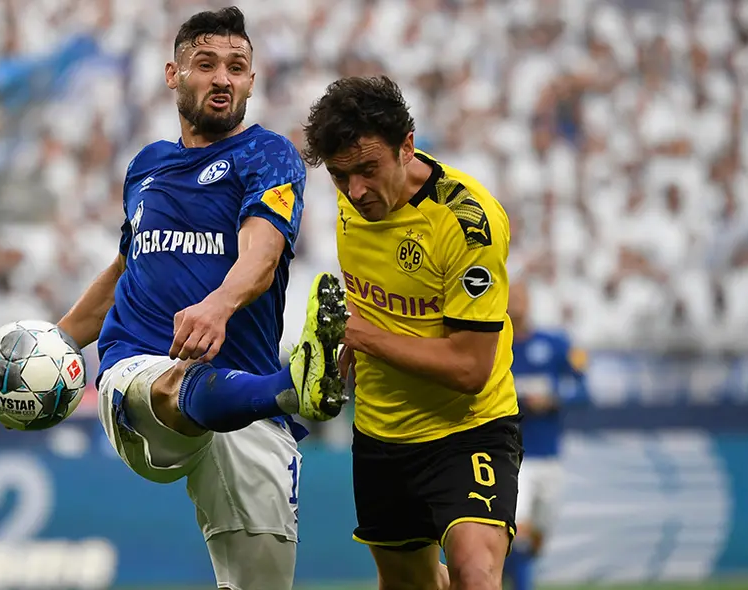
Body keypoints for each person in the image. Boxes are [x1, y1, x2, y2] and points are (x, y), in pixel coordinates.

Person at [57, 7, 348, 590]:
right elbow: (125, 268)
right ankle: (296, 386)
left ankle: (283, 389)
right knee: (168, 382)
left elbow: (261, 256)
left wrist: (218, 305)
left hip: (245, 398)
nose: (222, 78)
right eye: (206, 63)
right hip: (140, 370)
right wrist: (55, 343)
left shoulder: (268, 155)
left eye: (237, 67)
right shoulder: (145, 167)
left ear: (251, 81)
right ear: (173, 74)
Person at [302, 75, 523, 590]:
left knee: (474, 575)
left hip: (467, 430)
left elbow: (470, 369)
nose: (355, 190)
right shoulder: (351, 203)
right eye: (339, 176)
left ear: (407, 146)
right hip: (381, 434)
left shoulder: (467, 223)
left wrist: (359, 337)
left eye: (366, 170)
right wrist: (346, 351)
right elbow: (373, 289)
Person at [504, 282, 588, 590]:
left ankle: (504, 575)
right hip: (513, 458)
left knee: (537, 537)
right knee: (519, 533)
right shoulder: (497, 346)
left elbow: (584, 388)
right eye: (510, 297)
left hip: (550, 458)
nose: (516, 303)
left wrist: (555, 396)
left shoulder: (554, 343)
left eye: (520, 296)